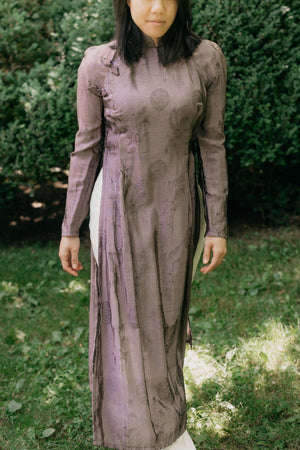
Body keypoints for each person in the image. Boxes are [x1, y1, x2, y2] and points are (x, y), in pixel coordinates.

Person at [59, 0, 228, 448]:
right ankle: (131, 432)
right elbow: (86, 148)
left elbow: (212, 143)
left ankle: (167, 426)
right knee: (126, 319)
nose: (157, 6)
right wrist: (69, 227)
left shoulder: (206, 58)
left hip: (178, 207)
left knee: (169, 321)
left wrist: (218, 225)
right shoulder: (100, 63)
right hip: (117, 206)